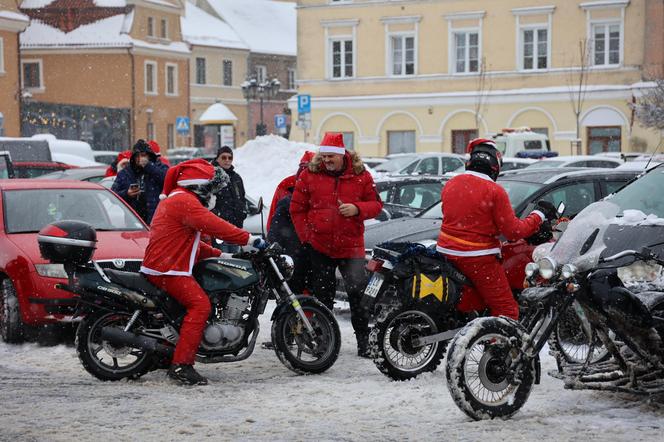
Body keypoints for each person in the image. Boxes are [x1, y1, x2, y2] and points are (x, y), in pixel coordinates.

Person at [140, 159, 266, 386]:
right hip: (168, 269)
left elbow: (191, 244)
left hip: (168, 265)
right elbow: (215, 225)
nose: (214, 195)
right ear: (200, 187)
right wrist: (249, 239)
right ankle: (181, 366)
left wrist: (223, 256)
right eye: (213, 189)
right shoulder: (184, 202)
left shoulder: (179, 199)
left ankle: (169, 353)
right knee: (200, 306)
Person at [436, 138, 558, 320]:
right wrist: (538, 216)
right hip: (477, 259)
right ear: (495, 166)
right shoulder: (494, 191)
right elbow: (514, 231)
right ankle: (496, 345)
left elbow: (453, 215)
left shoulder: (452, 183)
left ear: (470, 162)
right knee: (507, 310)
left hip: (446, 252)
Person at [290, 132, 383, 357]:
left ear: (342, 156)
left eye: (331, 156)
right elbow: (296, 209)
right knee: (323, 297)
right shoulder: (309, 175)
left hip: (351, 248)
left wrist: (357, 209)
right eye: (324, 156)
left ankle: (364, 342)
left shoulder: (361, 176)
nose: (327, 161)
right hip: (320, 247)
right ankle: (323, 342)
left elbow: (376, 205)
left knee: (358, 297)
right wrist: (307, 237)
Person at [267, 151, 315, 294]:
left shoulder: (322, 193)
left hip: (308, 254)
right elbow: (275, 226)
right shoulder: (287, 191)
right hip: (295, 254)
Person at [112, 139, 168, 224]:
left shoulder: (160, 167)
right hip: (133, 222)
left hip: (156, 219)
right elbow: (113, 196)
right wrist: (127, 194)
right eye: (137, 156)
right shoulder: (126, 173)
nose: (139, 159)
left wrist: (149, 166)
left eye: (143, 155)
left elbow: (167, 180)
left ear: (149, 156)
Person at [211, 146, 247, 228]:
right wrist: (218, 215)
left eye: (230, 158)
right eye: (223, 157)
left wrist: (243, 212)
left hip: (237, 226)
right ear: (217, 159)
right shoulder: (212, 175)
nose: (227, 160)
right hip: (219, 227)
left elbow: (242, 198)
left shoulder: (236, 177)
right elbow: (206, 201)